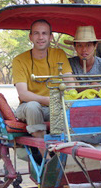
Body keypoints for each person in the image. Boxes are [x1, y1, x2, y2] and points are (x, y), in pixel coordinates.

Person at [12, 19, 73, 156]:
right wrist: (49, 100)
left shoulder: (59, 54)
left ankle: (67, 152)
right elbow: (23, 95)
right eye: (36, 33)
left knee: (72, 109)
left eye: (44, 33)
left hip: (54, 107)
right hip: (28, 108)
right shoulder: (19, 60)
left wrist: (72, 99)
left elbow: (70, 84)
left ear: (50, 37)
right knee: (33, 106)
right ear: (31, 37)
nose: (40, 37)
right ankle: (45, 157)